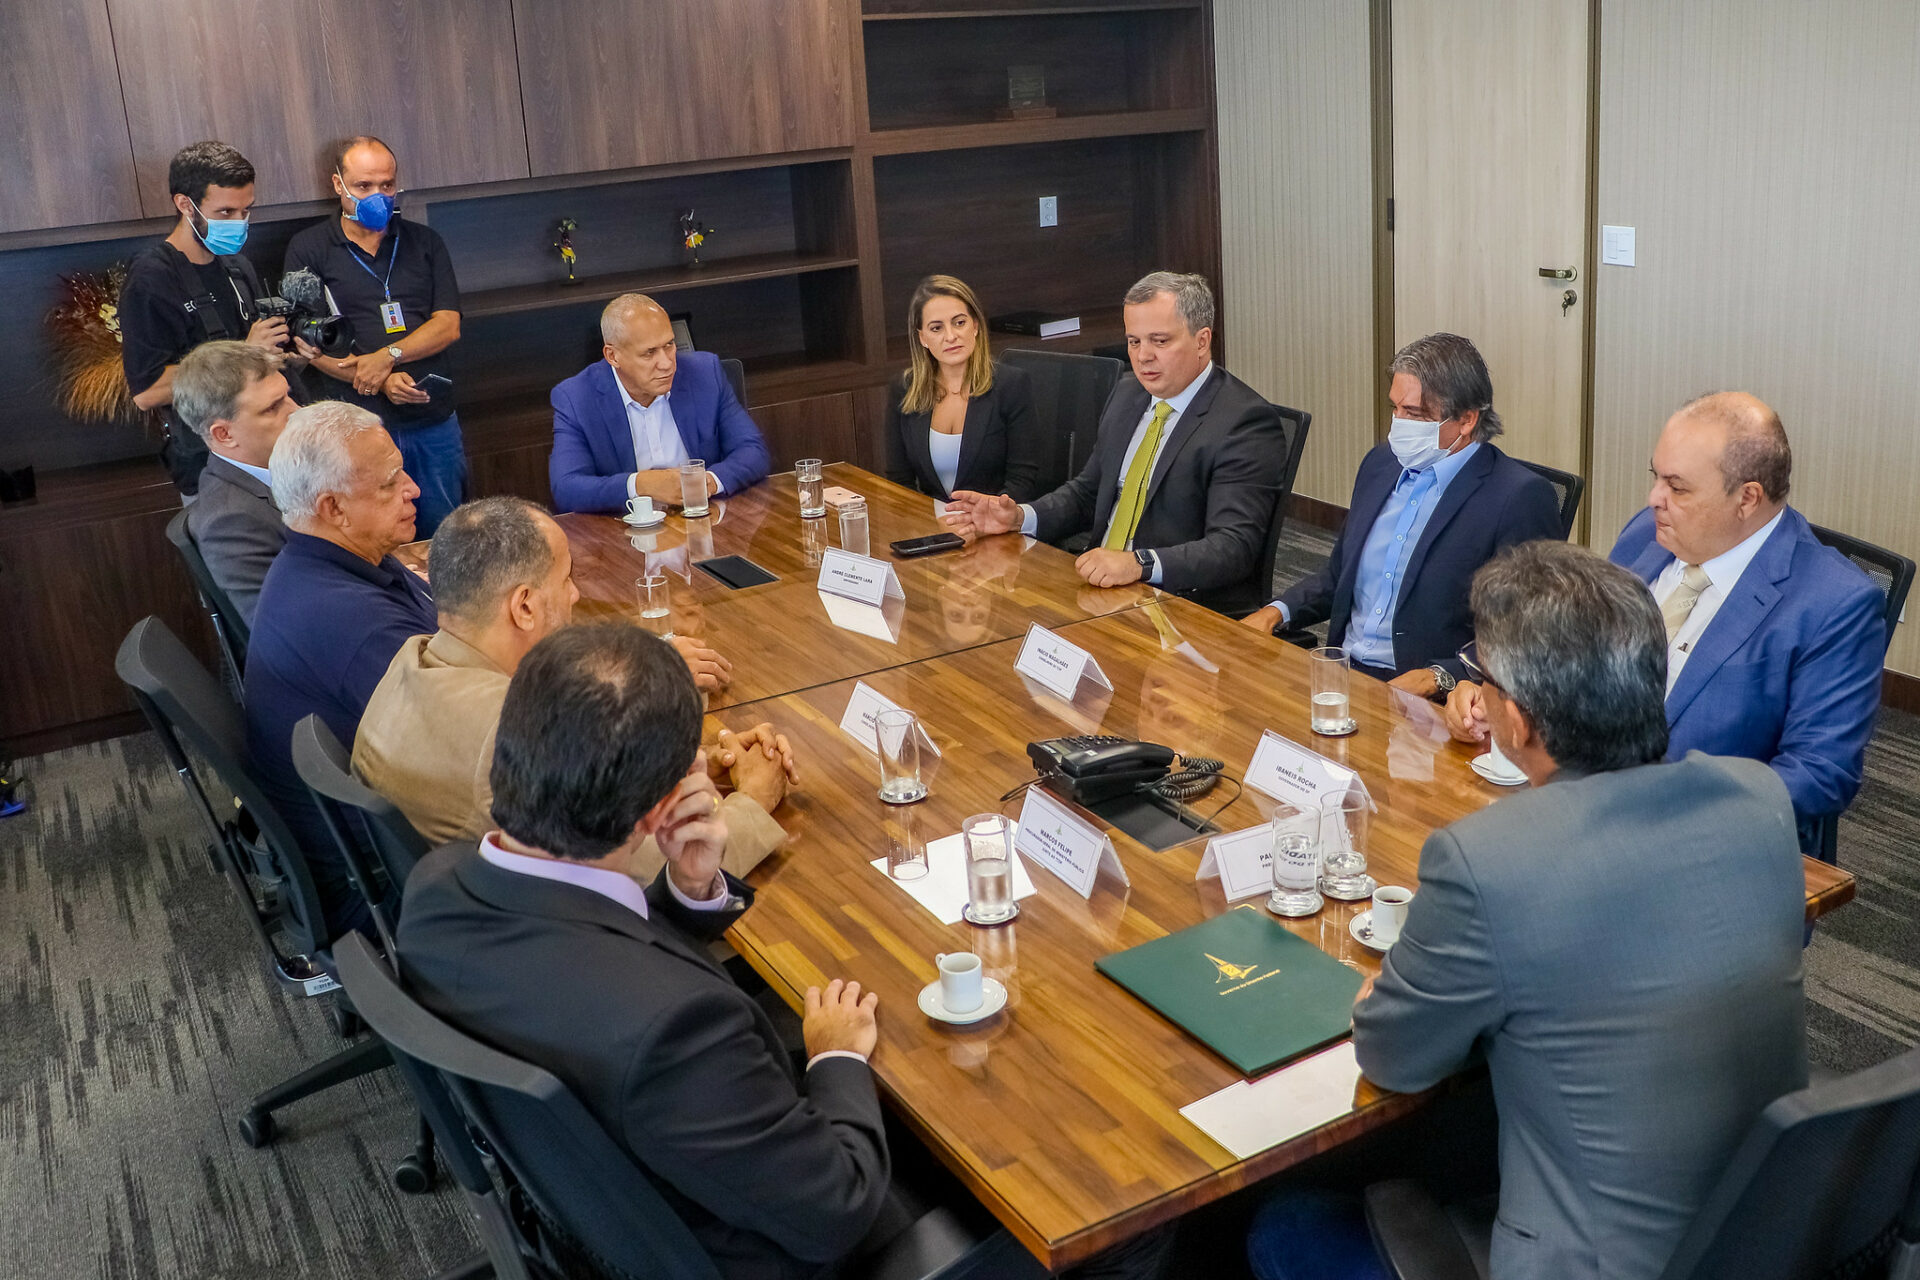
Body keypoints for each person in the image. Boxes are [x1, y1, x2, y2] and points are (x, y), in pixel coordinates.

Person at [1249, 541, 1808, 1280]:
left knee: (1278, 1229)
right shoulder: (1759, 798)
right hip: (1769, 1229)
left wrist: (1384, 990)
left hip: (1596, 1262)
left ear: (1522, 721)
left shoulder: (1487, 860)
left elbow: (1394, 1056)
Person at [1445, 392, 1883, 853]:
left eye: (1678, 487)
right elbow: (1574, 655)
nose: (1655, 499)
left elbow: (1819, 776)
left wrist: (1655, 806)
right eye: (1656, 478)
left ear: (1747, 498)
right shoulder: (1646, 537)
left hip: (1709, 848)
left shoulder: (1835, 604)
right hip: (1578, 810)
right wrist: (1499, 692)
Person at [353, 496, 790, 875]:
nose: (576, 595)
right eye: (565, 579)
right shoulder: (512, 731)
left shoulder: (411, 662)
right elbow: (643, 870)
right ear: (523, 606)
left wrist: (677, 771)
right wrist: (753, 802)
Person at [942, 272, 1285, 617]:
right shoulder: (1127, 394)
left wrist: (1139, 564)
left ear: (1202, 341)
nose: (1143, 356)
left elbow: (1233, 547)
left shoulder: (1244, 423)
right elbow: (1088, 494)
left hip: (1180, 607)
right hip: (1099, 589)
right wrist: (1019, 517)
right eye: (1134, 342)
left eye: (1160, 341)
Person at [1240, 333, 1562, 693]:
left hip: (1428, 694)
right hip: (1341, 671)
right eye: (1395, 408)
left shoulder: (1518, 497)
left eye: (1414, 413)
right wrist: (1277, 610)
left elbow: (1523, 633)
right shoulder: (1381, 464)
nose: (1398, 423)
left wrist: (1440, 676)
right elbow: (1339, 574)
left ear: (1468, 419)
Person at [246, 401, 434, 940]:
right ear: (333, 508)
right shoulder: (351, 620)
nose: (414, 489)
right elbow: (484, 725)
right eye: (390, 483)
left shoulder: (333, 563)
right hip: (386, 890)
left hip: (382, 848)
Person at [285, 136, 466, 535]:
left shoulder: (425, 242)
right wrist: (379, 380)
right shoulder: (309, 249)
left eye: (387, 185)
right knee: (371, 537)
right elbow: (307, 344)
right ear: (338, 185)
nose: (378, 196)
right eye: (365, 186)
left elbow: (447, 323)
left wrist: (390, 355)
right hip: (355, 429)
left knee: (445, 534)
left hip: (431, 419)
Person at [119, 141, 295, 498]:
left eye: (247, 210)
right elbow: (147, 392)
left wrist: (287, 355)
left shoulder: (236, 265)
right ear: (185, 204)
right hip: (211, 474)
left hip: (273, 461)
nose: (239, 223)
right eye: (226, 212)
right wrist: (246, 352)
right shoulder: (152, 279)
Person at [549, 293, 773, 514]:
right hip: (628, 534)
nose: (666, 363)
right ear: (612, 356)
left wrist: (707, 482)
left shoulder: (706, 373)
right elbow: (567, 488)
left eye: (669, 345)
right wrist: (642, 485)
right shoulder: (576, 398)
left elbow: (753, 450)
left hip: (706, 519)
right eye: (649, 353)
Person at [884, 275, 1042, 502]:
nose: (951, 336)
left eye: (959, 323)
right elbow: (898, 481)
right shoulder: (903, 389)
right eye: (936, 328)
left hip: (996, 524)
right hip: (932, 526)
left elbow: (1022, 481)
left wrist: (985, 518)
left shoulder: (1012, 385)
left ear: (975, 325)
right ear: (922, 338)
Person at [171, 341, 295, 625]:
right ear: (224, 434)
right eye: (273, 408)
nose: (296, 410)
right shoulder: (230, 521)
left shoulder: (291, 467)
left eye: (288, 396)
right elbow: (289, 632)